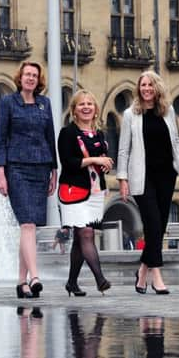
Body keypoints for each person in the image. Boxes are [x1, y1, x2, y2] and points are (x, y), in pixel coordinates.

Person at [0, 60, 57, 299]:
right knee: (27, 224)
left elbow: (50, 138)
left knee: (29, 228)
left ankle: (21, 282)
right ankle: (35, 276)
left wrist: (54, 171)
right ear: (19, 78)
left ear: (38, 80)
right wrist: (1, 172)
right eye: (27, 74)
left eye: (34, 75)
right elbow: (1, 139)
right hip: (16, 168)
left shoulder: (45, 104)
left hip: (41, 168)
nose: (30, 78)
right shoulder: (8, 102)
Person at [117, 71, 179, 295]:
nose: (146, 88)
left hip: (166, 175)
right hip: (142, 178)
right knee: (153, 223)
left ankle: (143, 270)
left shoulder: (168, 111)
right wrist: (122, 179)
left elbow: (175, 140)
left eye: (149, 85)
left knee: (159, 227)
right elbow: (124, 149)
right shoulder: (130, 115)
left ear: (157, 88)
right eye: (142, 85)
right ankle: (157, 275)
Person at [58, 89, 113, 296]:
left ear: (96, 109)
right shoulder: (68, 133)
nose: (86, 107)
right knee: (86, 233)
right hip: (73, 190)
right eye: (81, 104)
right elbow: (69, 163)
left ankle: (72, 283)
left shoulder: (100, 134)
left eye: (90, 104)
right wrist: (95, 160)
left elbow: (101, 160)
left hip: (95, 191)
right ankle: (100, 279)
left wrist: (105, 164)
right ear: (74, 110)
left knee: (81, 238)